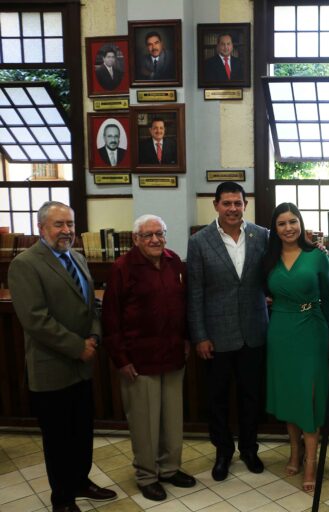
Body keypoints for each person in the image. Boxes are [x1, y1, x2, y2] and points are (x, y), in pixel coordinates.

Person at [8, 201, 117, 512]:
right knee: (58, 440)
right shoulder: (26, 264)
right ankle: (63, 499)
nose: (67, 231)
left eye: (70, 224)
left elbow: (92, 305)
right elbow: (35, 319)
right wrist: (77, 346)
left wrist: (94, 336)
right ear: (42, 228)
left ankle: (81, 482)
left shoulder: (78, 258)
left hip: (82, 366)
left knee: (82, 431)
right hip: (52, 367)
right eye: (59, 225)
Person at [102, 215, 196, 502]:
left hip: (172, 356)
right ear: (136, 239)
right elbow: (110, 319)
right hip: (138, 361)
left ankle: (169, 469)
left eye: (159, 233)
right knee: (145, 424)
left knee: (171, 420)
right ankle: (146, 475)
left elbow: (183, 305)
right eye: (148, 235)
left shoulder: (173, 261)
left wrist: (186, 339)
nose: (155, 239)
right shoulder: (122, 268)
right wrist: (121, 359)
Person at [187, 182, 269, 481]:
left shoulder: (261, 235)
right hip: (216, 336)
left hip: (254, 331)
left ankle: (249, 449)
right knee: (217, 399)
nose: (233, 208)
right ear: (216, 205)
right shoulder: (199, 241)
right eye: (227, 203)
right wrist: (200, 335)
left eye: (238, 203)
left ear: (245, 204)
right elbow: (195, 292)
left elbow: (275, 272)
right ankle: (223, 451)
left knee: (251, 396)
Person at [263, 202, 329, 494]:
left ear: (301, 224)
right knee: (290, 393)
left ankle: (311, 462)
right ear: (275, 228)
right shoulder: (268, 258)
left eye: (293, 221)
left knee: (309, 392)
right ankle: (294, 451)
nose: (289, 228)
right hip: (280, 329)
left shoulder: (317, 256)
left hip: (312, 329)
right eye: (282, 223)